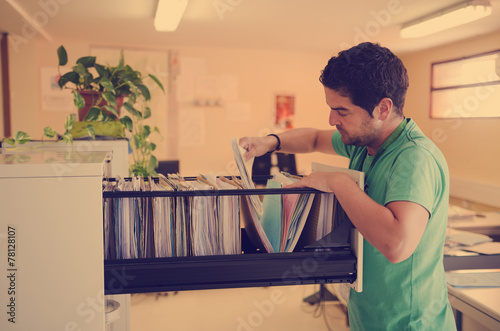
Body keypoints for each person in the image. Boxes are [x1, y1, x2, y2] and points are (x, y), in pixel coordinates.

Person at [239, 42, 456, 330]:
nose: (332, 119)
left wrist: (340, 183)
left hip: (409, 322)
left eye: (342, 111)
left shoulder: (415, 158)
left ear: (383, 108)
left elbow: (397, 245)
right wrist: (272, 142)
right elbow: (315, 138)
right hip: (369, 316)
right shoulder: (365, 143)